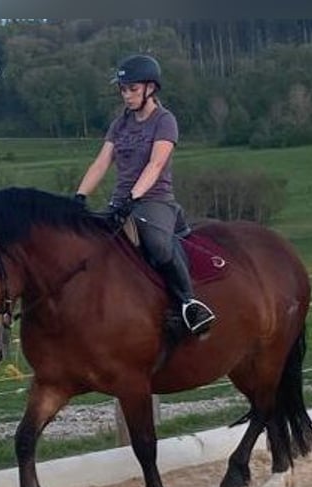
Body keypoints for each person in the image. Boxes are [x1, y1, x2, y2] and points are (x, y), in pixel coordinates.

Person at [74, 54, 215, 336]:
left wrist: (134, 198)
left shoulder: (164, 121)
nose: (127, 95)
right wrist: (79, 197)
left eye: (133, 89)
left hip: (154, 201)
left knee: (158, 245)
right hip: (120, 202)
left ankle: (190, 304)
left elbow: (156, 164)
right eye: (123, 89)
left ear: (151, 88)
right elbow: (102, 162)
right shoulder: (119, 124)